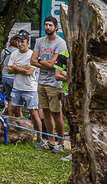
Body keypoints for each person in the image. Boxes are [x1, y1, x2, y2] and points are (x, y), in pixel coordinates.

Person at [31, 16, 68, 154]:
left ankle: (61, 143)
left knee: (57, 113)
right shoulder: (40, 41)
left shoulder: (60, 43)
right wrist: (44, 63)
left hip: (55, 83)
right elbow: (32, 60)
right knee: (45, 112)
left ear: (56, 27)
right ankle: (51, 141)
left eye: (50, 25)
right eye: (46, 25)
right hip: (41, 82)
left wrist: (42, 62)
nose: (48, 27)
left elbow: (54, 64)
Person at [7, 33, 44, 147]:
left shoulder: (33, 54)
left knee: (33, 113)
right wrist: (21, 68)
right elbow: (9, 70)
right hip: (17, 87)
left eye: (22, 42)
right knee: (16, 110)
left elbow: (29, 72)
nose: (20, 44)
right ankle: (22, 131)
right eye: (18, 42)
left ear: (27, 42)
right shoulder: (14, 54)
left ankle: (39, 136)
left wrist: (16, 67)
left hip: (30, 88)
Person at [0, 34, 20, 114]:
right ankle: (14, 117)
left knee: (10, 99)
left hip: (5, 77)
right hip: (13, 78)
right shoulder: (17, 52)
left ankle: (10, 116)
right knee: (16, 100)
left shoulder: (4, 51)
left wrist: (2, 74)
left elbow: (2, 64)